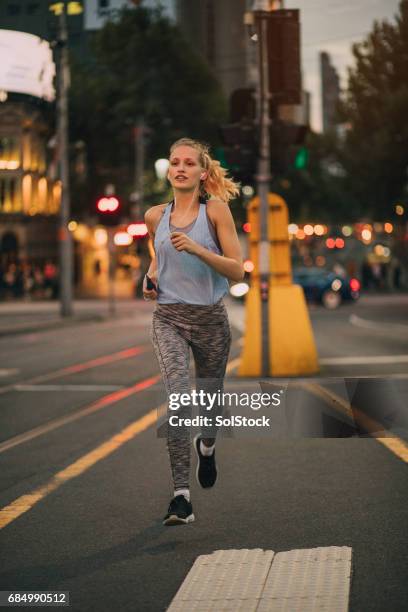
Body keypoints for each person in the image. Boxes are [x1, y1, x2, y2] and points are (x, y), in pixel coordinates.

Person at [143, 137, 244, 526]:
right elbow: (157, 261)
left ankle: (207, 445)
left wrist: (199, 250)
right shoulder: (155, 216)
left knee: (209, 403)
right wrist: (149, 278)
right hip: (168, 316)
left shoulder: (215, 211)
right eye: (174, 162)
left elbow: (237, 270)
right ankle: (181, 498)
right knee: (178, 400)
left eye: (188, 163)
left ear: (203, 173)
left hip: (210, 321)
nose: (180, 168)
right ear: (169, 170)